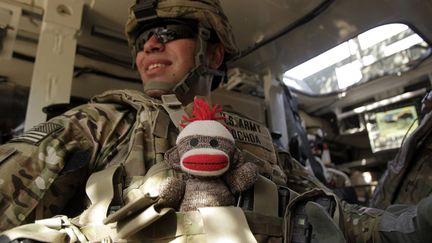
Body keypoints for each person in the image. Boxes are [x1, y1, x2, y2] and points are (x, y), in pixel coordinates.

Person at [0, 0, 432, 242]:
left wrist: (412, 226)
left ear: (212, 52)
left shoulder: (256, 140)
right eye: (142, 40)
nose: (150, 45)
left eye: (169, 32)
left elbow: (331, 216)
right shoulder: (102, 120)